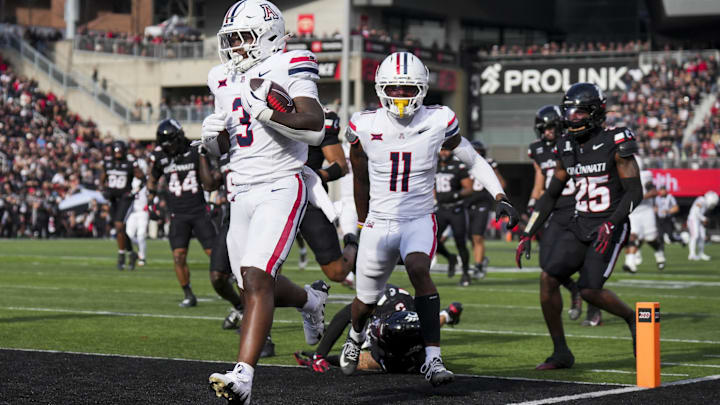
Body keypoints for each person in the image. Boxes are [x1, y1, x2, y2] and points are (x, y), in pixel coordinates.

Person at [341, 51, 519, 386]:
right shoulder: (363, 124)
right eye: (393, 88)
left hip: (418, 216)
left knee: (420, 270)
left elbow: (472, 158)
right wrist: (361, 224)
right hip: (379, 220)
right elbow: (360, 178)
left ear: (422, 89)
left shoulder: (439, 119)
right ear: (381, 88)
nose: (400, 96)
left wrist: (500, 195)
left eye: (408, 89)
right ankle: (354, 336)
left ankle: (433, 360)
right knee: (364, 301)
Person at [201, 1, 328, 402]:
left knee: (256, 277)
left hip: (281, 182)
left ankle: (243, 378)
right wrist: (211, 142)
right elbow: (226, 145)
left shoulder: (292, 62)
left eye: (243, 38)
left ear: (269, 35)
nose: (235, 47)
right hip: (241, 188)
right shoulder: (220, 76)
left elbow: (314, 125)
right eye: (231, 39)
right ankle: (311, 300)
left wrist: (269, 115)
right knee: (249, 283)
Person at [516, 83, 642, 369]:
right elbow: (551, 194)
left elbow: (636, 192)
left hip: (609, 224)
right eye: (569, 111)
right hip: (579, 222)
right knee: (548, 277)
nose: (572, 117)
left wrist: (611, 224)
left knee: (589, 290)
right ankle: (561, 352)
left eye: (579, 112)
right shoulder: (565, 145)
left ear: (595, 113)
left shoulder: (615, 141)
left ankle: (633, 319)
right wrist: (528, 232)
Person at [196, 145, 328, 356]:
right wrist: (203, 152)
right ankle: (308, 300)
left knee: (260, 276)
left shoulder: (260, 142)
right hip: (235, 213)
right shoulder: (229, 142)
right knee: (220, 277)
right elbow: (210, 184)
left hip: (267, 207)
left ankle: (263, 337)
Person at [294, 284, 463, 374]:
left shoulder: (411, 354)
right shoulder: (376, 306)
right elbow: (345, 316)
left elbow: (367, 361)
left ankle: (447, 314)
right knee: (426, 324)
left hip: (403, 322)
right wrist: (319, 355)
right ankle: (447, 314)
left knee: (409, 359)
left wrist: (324, 358)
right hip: (392, 307)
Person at [147, 119, 217, 308]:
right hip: (177, 214)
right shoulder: (160, 156)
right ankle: (188, 294)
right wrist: (150, 199)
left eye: (171, 144)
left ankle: (233, 287)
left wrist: (213, 199)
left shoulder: (195, 150)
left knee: (215, 255)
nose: (169, 149)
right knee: (178, 256)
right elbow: (152, 179)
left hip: (199, 211)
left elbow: (210, 177)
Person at [527, 105, 587, 323]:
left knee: (583, 262)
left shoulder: (573, 143)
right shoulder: (537, 149)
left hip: (578, 206)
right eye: (544, 128)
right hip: (554, 208)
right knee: (546, 261)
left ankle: (592, 307)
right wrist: (533, 203)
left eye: (552, 127)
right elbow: (539, 181)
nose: (548, 132)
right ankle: (574, 289)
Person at [296, 106, 358, 283]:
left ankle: (352, 243)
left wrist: (316, 176)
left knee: (337, 272)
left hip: (307, 197)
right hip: (270, 193)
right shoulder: (263, 109)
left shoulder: (320, 116)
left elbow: (340, 165)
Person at [100, 140, 144, 270]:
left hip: (125, 198)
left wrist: (134, 191)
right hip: (113, 199)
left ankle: (121, 256)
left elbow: (143, 178)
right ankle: (131, 253)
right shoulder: (107, 163)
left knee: (119, 225)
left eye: (120, 151)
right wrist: (104, 190)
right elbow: (102, 180)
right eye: (115, 151)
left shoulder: (130, 163)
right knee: (121, 229)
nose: (117, 153)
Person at [466, 140, 506, 279]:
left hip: (483, 204)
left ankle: (478, 265)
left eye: (478, 150)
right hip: (467, 204)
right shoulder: (464, 163)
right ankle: (481, 260)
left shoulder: (488, 163)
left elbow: (502, 184)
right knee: (470, 237)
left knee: (477, 236)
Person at [434, 146, 473, 285]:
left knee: (460, 242)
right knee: (432, 241)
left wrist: (454, 195)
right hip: (441, 209)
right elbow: (431, 186)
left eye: (447, 149)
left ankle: (465, 273)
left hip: (456, 209)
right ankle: (450, 257)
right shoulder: (434, 165)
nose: (444, 152)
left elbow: (469, 188)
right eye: (442, 149)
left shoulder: (458, 166)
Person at [624, 169, 665, 272]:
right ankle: (630, 264)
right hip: (633, 212)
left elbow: (654, 192)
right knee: (632, 236)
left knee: (651, 239)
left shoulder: (644, 176)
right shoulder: (621, 175)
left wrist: (638, 197)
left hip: (646, 211)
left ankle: (659, 252)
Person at [687, 190, 718, 261]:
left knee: (702, 236)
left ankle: (701, 253)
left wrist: (703, 219)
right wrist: (704, 219)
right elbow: (696, 211)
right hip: (693, 219)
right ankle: (692, 254)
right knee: (695, 236)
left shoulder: (705, 204)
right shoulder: (701, 200)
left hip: (699, 221)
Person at [125, 177, 149, 268]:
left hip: (143, 212)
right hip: (132, 213)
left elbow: (150, 193)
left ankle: (142, 257)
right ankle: (140, 248)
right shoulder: (129, 180)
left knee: (141, 235)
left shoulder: (145, 180)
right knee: (128, 236)